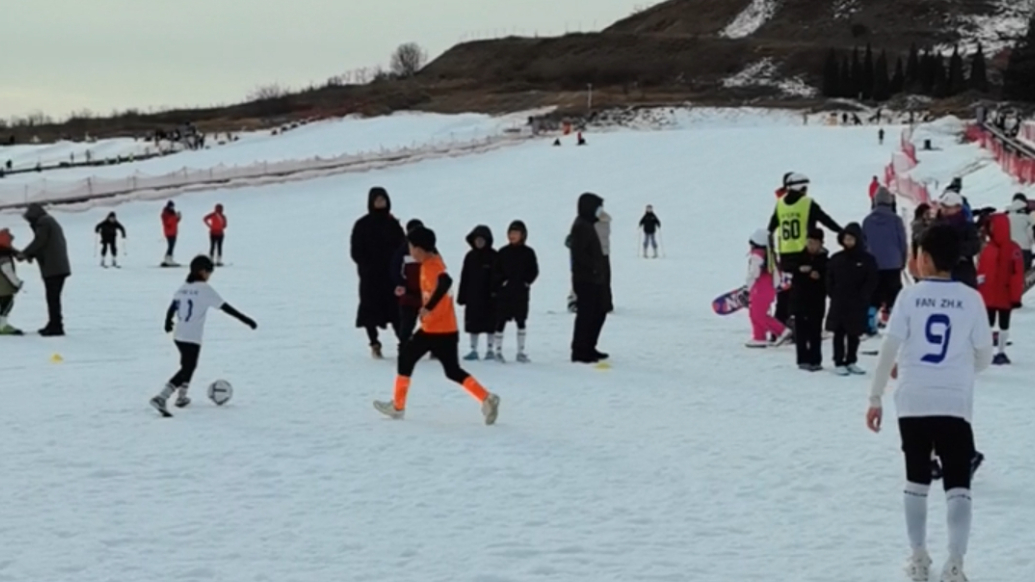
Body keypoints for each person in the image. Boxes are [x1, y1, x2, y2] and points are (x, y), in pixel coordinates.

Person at [866, 224, 994, 582]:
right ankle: (955, 564)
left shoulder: (909, 296)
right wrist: (960, 367)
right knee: (957, 483)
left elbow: (888, 350)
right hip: (954, 401)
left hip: (913, 399)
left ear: (922, 257)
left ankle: (919, 558)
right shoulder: (971, 298)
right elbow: (983, 356)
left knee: (917, 479)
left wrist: (875, 397)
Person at [373, 226, 501, 425]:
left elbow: (445, 282)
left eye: (411, 247)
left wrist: (428, 308)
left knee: (406, 358)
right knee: (451, 370)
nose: (409, 251)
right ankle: (486, 398)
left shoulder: (432, 266)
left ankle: (398, 407)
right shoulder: (432, 261)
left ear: (421, 249)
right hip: (445, 329)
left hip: (434, 329)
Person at [150, 255, 257, 417]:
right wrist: (246, 320)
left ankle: (182, 397)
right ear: (201, 271)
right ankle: (162, 397)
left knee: (187, 364)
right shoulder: (204, 289)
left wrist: (167, 321)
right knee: (188, 368)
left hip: (179, 334)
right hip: (192, 336)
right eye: (209, 273)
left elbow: (173, 306)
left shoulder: (184, 287)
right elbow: (226, 308)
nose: (209, 276)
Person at [767, 172, 842, 328]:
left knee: (785, 293)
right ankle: (803, 324)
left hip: (785, 256)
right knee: (806, 291)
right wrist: (842, 231)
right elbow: (825, 220)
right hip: (805, 254)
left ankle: (779, 326)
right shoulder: (807, 203)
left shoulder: (780, 204)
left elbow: (771, 228)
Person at [350, 186, 405, 359]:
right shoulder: (362, 225)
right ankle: (374, 343)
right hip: (370, 277)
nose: (380, 203)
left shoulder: (393, 223)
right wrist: (367, 266)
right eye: (377, 200)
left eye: (383, 200)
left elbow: (403, 247)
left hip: (391, 276)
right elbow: (356, 251)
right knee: (370, 311)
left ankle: (403, 342)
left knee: (396, 311)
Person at [825, 223, 877, 375]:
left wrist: (864, 295)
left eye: (851, 239)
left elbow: (872, 279)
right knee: (839, 333)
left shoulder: (867, 259)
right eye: (845, 239)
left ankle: (852, 360)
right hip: (839, 301)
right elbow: (829, 279)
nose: (848, 242)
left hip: (858, 302)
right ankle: (838, 361)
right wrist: (833, 293)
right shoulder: (836, 258)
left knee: (854, 333)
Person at [977, 214, 1024, 365]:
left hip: (1005, 294)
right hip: (989, 294)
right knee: (987, 323)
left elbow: (1017, 274)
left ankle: (1001, 351)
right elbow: (981, 272)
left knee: (1004, 323)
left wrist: (1016, 296)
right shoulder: (989, 249)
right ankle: (989, 351)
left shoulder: (1012, 249)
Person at [18, 203, 71, 336]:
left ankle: (56, 326)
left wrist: (25, 254)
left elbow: (40, 241)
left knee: (52, 298)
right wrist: (31, 254)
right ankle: (54, 323)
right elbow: (44, 244)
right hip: (57, 266)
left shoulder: (44, 222)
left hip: (54, 267)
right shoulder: (49, 221)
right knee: (53, 297)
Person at [569, 193, 609, 363]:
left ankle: (589, 346)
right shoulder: (581, 226)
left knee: (599, 312)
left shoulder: (588, 224)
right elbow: (579, 254)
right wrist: (593, 268)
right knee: (586, 315)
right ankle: (580, 350)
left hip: (594, 278)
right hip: (585, 279)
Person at [863, 186, 909, 334]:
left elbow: (863, 243)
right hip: (893, 263)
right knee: (894, 294)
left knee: (873, 294)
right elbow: (902, 241)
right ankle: (894, 324)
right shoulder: (896, 220)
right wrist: (903, 260)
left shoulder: (867, 221)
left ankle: (870, 322)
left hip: (873, 264)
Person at [493, 220, 539, 363]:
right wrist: (501, 282)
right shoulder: (503, 252)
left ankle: (520, 351)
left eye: (516, 233)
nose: (512, 236)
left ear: (523, 235)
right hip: (505, 293)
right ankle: (498, 351)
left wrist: (526, 282)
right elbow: (496, 271)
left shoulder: (528, 253)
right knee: (501, 321)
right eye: (510, 233)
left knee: (521, 321)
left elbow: (534, 270)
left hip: (521, 293)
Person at [745, 229, 791, 348]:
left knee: (758, 314)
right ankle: (759, 337)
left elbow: (754, 272)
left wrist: (748, 286)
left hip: (759, 288)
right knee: (755, 313)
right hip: (769, 288)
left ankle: (781, 331)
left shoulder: (757, 255)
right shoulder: (770, 256)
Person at [458, 225, 497, 360]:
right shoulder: (470, 256)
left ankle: (490, 349)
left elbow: (498, 276)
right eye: (477, 240)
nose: (479, 243)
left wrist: (496, 293)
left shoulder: (494, 256)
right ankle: (473, 349)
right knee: (473, 325)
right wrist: (462, 296)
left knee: (491, 325)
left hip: (489, 297)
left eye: (482, 240)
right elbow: (464, 277)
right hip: (473, 297)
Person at [791, 229, 828, 370]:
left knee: (815, 331)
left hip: (817, 300)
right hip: (799, 299)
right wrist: (800, 271)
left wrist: (819, 277)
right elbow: (790, 270)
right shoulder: (799, 257)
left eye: (815, 243)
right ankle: (802, 359)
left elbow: (828, 279)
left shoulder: (825, 260)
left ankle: (815, 360)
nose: (811, 245)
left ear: (821, 244)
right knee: (801, 331)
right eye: (809, 242)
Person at [933, 191, 980, 289]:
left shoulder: (967, 226)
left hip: (963, 272)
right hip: (940, 272)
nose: (945, 210)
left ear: (958, 208)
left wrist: (955, 249)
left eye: (948, 207)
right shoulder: (935, 225)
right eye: (943, 206)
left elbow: (975, 246)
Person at [391, 219, 425, 349]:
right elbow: (395, 268)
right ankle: (404, 346)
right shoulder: (403, 250)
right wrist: (402, 283)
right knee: (407, 323)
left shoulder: (430, 249)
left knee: (430, 322)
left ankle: (434, 347)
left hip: (426, 293)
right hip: (409, 293)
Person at [0, 228, 24, 335]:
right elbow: (7, 271)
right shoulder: (3, 254)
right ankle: (2, 326)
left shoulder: (4, 251)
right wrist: (17, 283)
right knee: (7, 304)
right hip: (4, 286)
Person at [1006, 193, 1034, 271]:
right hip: (1024, 252)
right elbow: (1031, 235)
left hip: (1008, 251)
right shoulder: (1028, 217)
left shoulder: (1006, 216)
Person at [595, 208, 614, 312]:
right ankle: (605, 303)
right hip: (603, 253)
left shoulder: (594, 223)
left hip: (596, 253)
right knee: (605, 278)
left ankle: (602, 303)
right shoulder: (605, 222)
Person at [161, 201, 182, 267]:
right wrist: (174, 217)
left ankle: (169, 258)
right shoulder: (165, 213)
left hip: (173, 231)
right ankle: (168, 258)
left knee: (172, 246)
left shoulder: (172, 213)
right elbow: (168, 222)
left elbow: (175, 221)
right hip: (169, 232)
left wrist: (178, 217)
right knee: (171, 245)